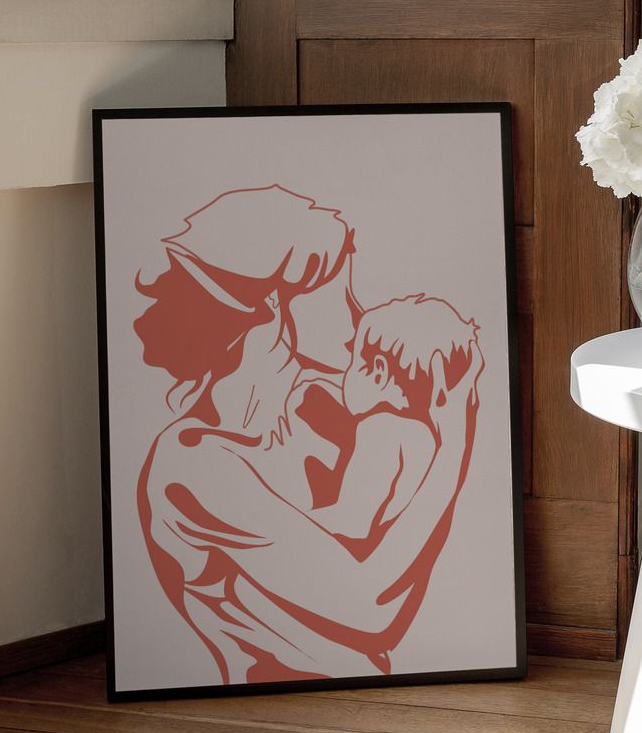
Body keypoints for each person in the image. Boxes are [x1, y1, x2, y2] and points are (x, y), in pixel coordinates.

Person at [135, 184, 484, 684]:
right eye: (340, 293)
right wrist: (455, 445)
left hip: (377, 699)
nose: (359, 313)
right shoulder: (193, 462)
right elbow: (368, 609)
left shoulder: (323, 404)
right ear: (275, 307)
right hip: (272, 701)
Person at [309, 295, 481, 553]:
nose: (344, 374)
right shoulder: (422, 435)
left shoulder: (379, 429)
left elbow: (351, 522)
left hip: (353, 553)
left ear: (378, 371)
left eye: (352, 361)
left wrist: (290, 518)